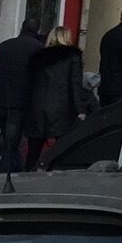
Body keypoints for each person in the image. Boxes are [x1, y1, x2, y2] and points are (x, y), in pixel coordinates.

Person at [24, 26, 92, 163]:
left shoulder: (38, 57)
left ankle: (28, 176)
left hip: (36, 107)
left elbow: (30, 83)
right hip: (61, 107)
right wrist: (80, 110)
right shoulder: (72, 57)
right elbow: (75, 85)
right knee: (64, 149)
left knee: (33, 151)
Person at [0, 17, 44, 173]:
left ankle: (17, 174)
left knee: (9, 141)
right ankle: (4, 178)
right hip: (20, 103)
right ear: (37, 30)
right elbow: (41, 79)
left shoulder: (3, 46)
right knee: (11, 145)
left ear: (21, 28)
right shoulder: (39, 49)